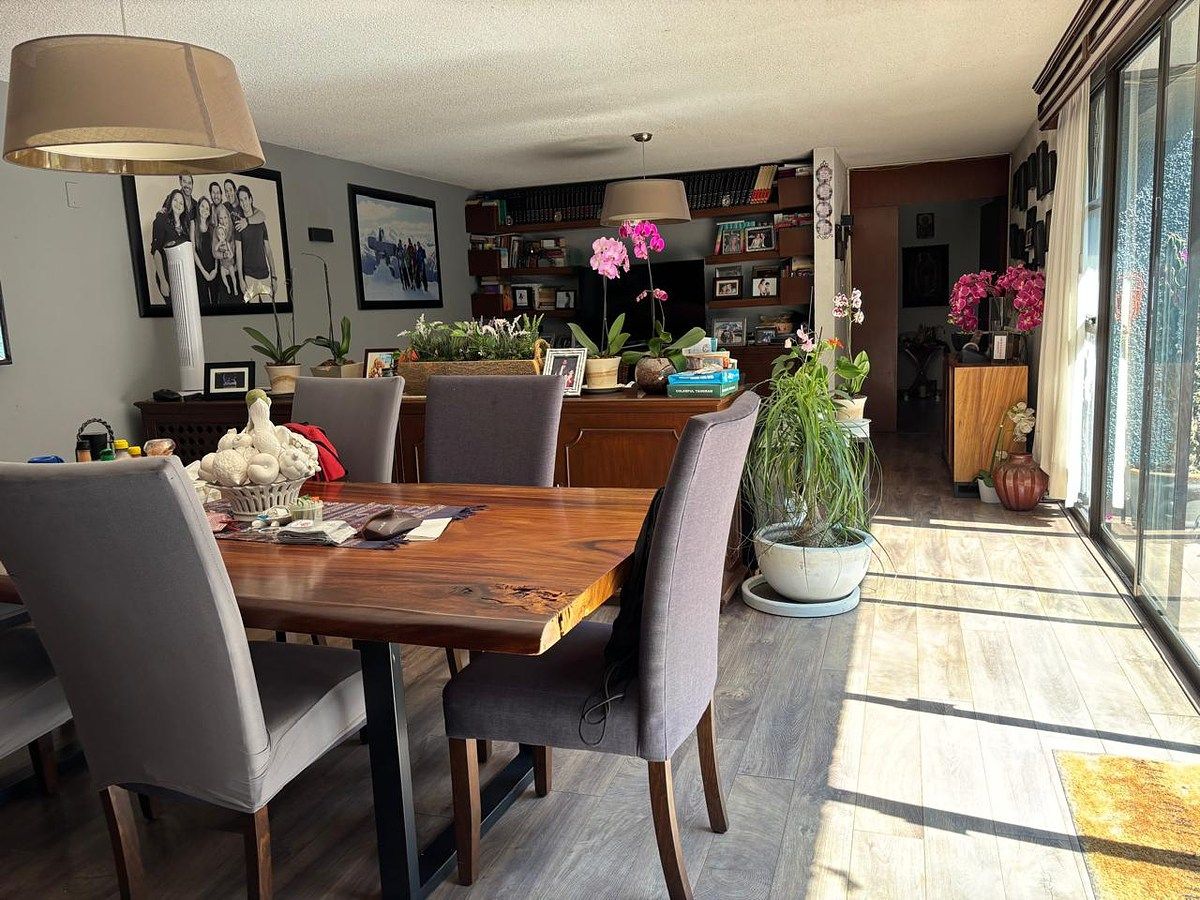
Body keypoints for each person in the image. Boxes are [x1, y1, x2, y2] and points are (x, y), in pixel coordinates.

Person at [235, 185, 275, 301]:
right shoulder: (238, 224)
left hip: (265, 276)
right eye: (241, 200)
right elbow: (238, 253)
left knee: (271, 309)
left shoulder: (260, 221)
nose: (244, 203)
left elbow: (268, 250)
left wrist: (274, 277)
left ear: (251, 199)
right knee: (254, 310)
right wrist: (241, 279)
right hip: (249, 277)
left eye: (245, 199)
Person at [149, 189, 190, 303]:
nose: (178, 204)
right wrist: (163, 280)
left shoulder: (185, 226)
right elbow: (156, 252)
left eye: (181, 203)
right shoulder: (161, 221)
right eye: (175, 200)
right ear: (170, 202)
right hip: (167, 275)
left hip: (182, 276)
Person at [191, 196, 219, 309]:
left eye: (207, 208)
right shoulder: (193, 223)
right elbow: (193, 250)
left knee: (216, 301)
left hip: (213, 270)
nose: (205, 210)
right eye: (203, 206)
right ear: (198, 208)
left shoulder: (212, 227)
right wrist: (204, 272)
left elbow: (216, 250)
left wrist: (215, 269)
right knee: (204, 303)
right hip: (200, 270)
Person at [213, 202, 239, 302]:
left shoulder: (234, 229)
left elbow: (239, 250)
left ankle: (235, 288)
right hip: (223, 267)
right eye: (221, 218)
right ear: (218, 220)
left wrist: (235, 265)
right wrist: (224, 255)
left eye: (225, 217)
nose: (223, 221)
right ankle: (228, 287)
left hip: (235, 269)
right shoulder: (217, 231)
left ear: (228, 217)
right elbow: (214, 253)